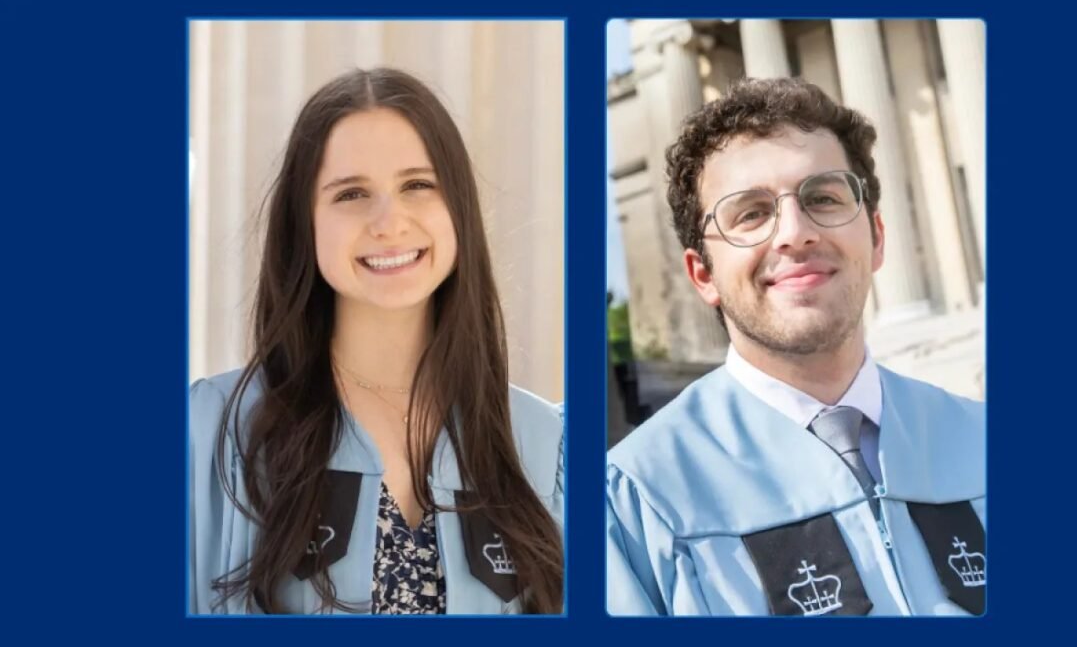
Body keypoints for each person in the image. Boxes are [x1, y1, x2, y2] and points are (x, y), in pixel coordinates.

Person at [189, 68, 564, 615]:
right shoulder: (210, 431)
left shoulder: (543, 444)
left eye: (418, 185)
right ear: (305, 224)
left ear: (456, 207)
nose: (390, 222)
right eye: (352, 193)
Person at [606, 78, 985, 616]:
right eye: (751, 213)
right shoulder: (639, 502)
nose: (794, 232)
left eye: (824, 198)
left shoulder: (985, 444)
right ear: (703, 274)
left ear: (876, 238)